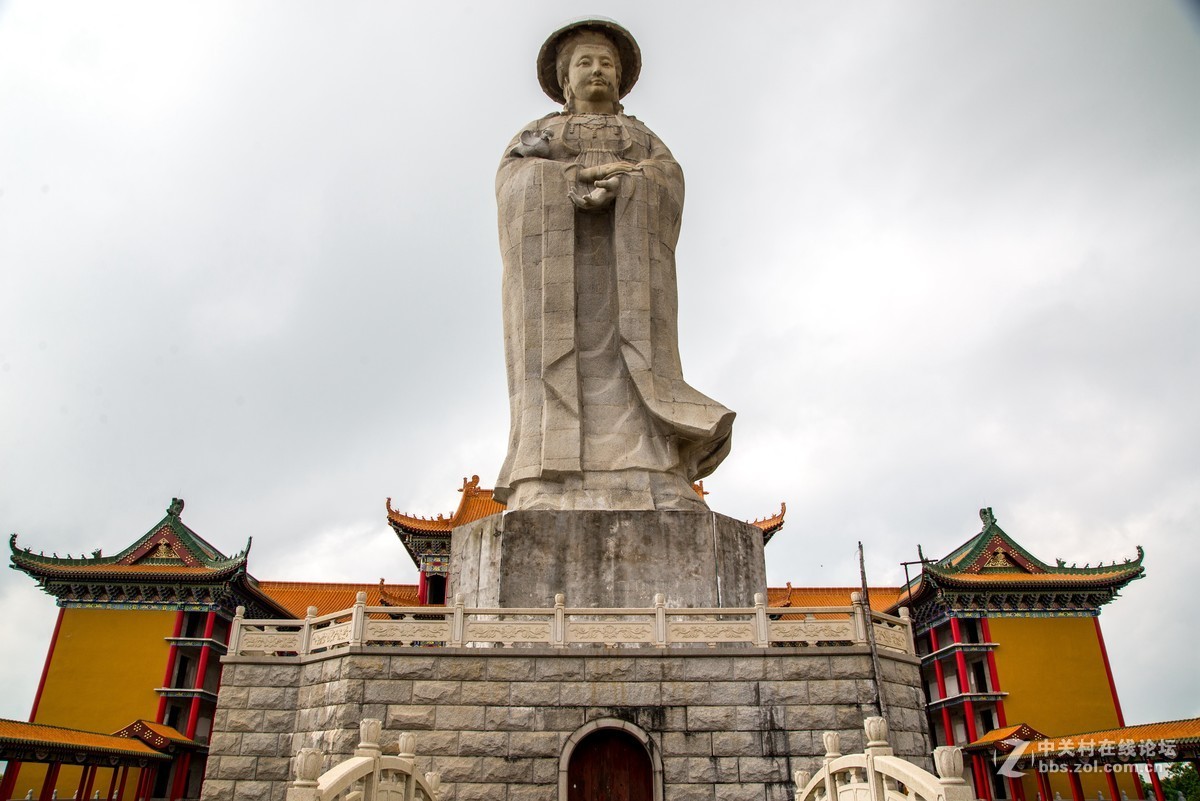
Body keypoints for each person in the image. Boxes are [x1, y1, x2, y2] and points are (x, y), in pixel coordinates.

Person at [493, 18, 734, 512]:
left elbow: (668, 181)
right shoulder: (539, 133)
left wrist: (630, 186)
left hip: (633, 277)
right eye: (585, 62)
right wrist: (575, 177)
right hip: (558, 281)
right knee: (553, 363)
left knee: (641, 356)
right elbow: (513, 184)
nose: (597, 70)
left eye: (606, 63)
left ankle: (654, 472)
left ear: (621, 77)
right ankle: (545, 479)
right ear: (565, 79)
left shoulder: (642, 139)